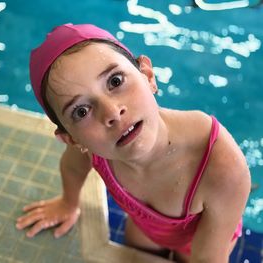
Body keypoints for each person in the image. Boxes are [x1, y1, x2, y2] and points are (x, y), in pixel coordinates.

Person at [16, 23, 251, 262]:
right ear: (72, 139)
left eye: (115, 81)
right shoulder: (92, 149)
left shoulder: (220, 165)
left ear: (147, 75)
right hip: (145, 227)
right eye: (81, 111)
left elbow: (207, 259)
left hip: (199, 242)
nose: (112, 113)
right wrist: (68, 203)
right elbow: (73, 167)